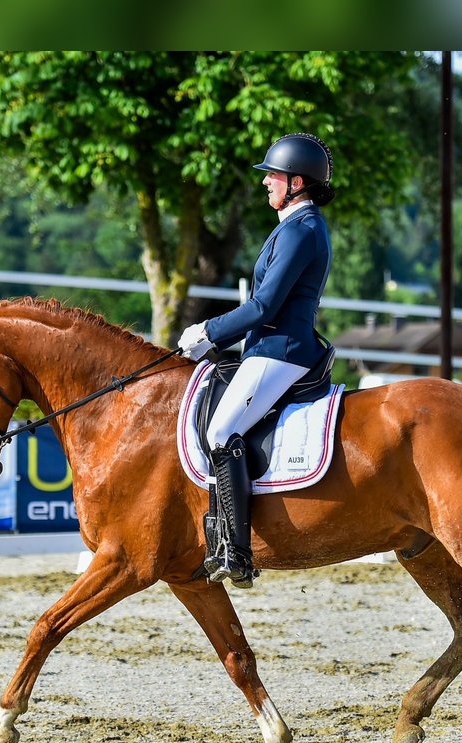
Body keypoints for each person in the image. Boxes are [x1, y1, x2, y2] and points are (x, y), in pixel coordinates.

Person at [177, 133, 337, 588]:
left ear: (297, 181)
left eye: (273, 175)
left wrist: (209, 330)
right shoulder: (292, 225)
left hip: (281, 350)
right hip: (266, 347)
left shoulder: (303, 229)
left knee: (221, 430)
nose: (266, 182)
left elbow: (264, 307)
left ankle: (235, 551)